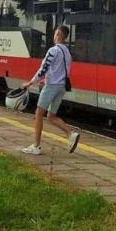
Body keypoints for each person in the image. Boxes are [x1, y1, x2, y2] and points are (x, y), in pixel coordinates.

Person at [20, 25, 81, 155]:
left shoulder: (53, 51)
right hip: (61, 87)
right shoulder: (67, 53)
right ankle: (71, 134)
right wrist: (46, 79)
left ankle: (36, 146)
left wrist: (30, 82)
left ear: (58, 34)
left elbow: (44, 68)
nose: (54, 36)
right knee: (51, 116)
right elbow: (61, 71)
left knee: (38, 114)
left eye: (55, 33)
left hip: (51, 87)